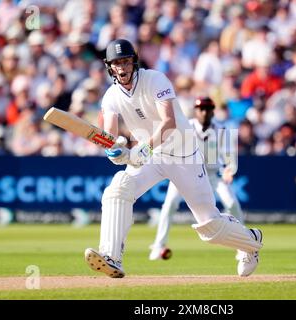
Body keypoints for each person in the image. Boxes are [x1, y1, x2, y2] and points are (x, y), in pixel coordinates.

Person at [84, 39, 263, 278]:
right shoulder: (111, 97)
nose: (122, 68)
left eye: (126, 61)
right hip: (152, 156)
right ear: (110, 67)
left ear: (133, 62)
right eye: (117, 63)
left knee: (210, 227)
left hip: (183, 155)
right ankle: (111, 257)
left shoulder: (155, 79)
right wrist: (113, 151)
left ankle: (250, 242)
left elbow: (168, 122)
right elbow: (110, 135)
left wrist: (143, 148)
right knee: (118, 189)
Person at [149, 97, 245, 260]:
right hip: (185, 173)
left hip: (213, 175)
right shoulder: (187, 127)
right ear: (196, 111)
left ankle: (243, 247)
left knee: (232, 203)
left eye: (208, 109)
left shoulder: (221, 130)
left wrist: (230, 170)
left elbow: (230, 157)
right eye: (201, 109)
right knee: (170, 204)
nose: (204, 112)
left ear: (213, 111)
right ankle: (158, 245)